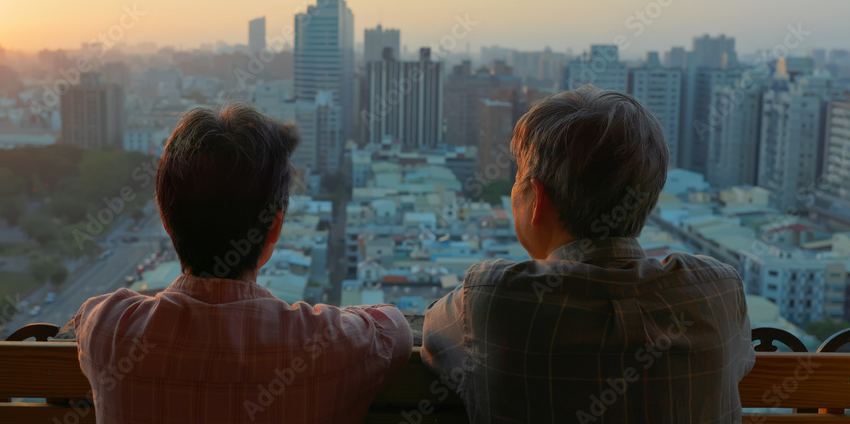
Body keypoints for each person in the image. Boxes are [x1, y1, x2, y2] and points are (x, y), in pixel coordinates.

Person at [422, 87, 755, 423]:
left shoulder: (492, 300)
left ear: (538, 199)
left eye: (518, 177)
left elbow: (432, 335)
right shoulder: (720, 292)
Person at [73, 103, 413, 423]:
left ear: (166, 220)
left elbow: (85, 317)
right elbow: (395, 329)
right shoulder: (326, 346)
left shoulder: (108, 330)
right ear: (274, 226)